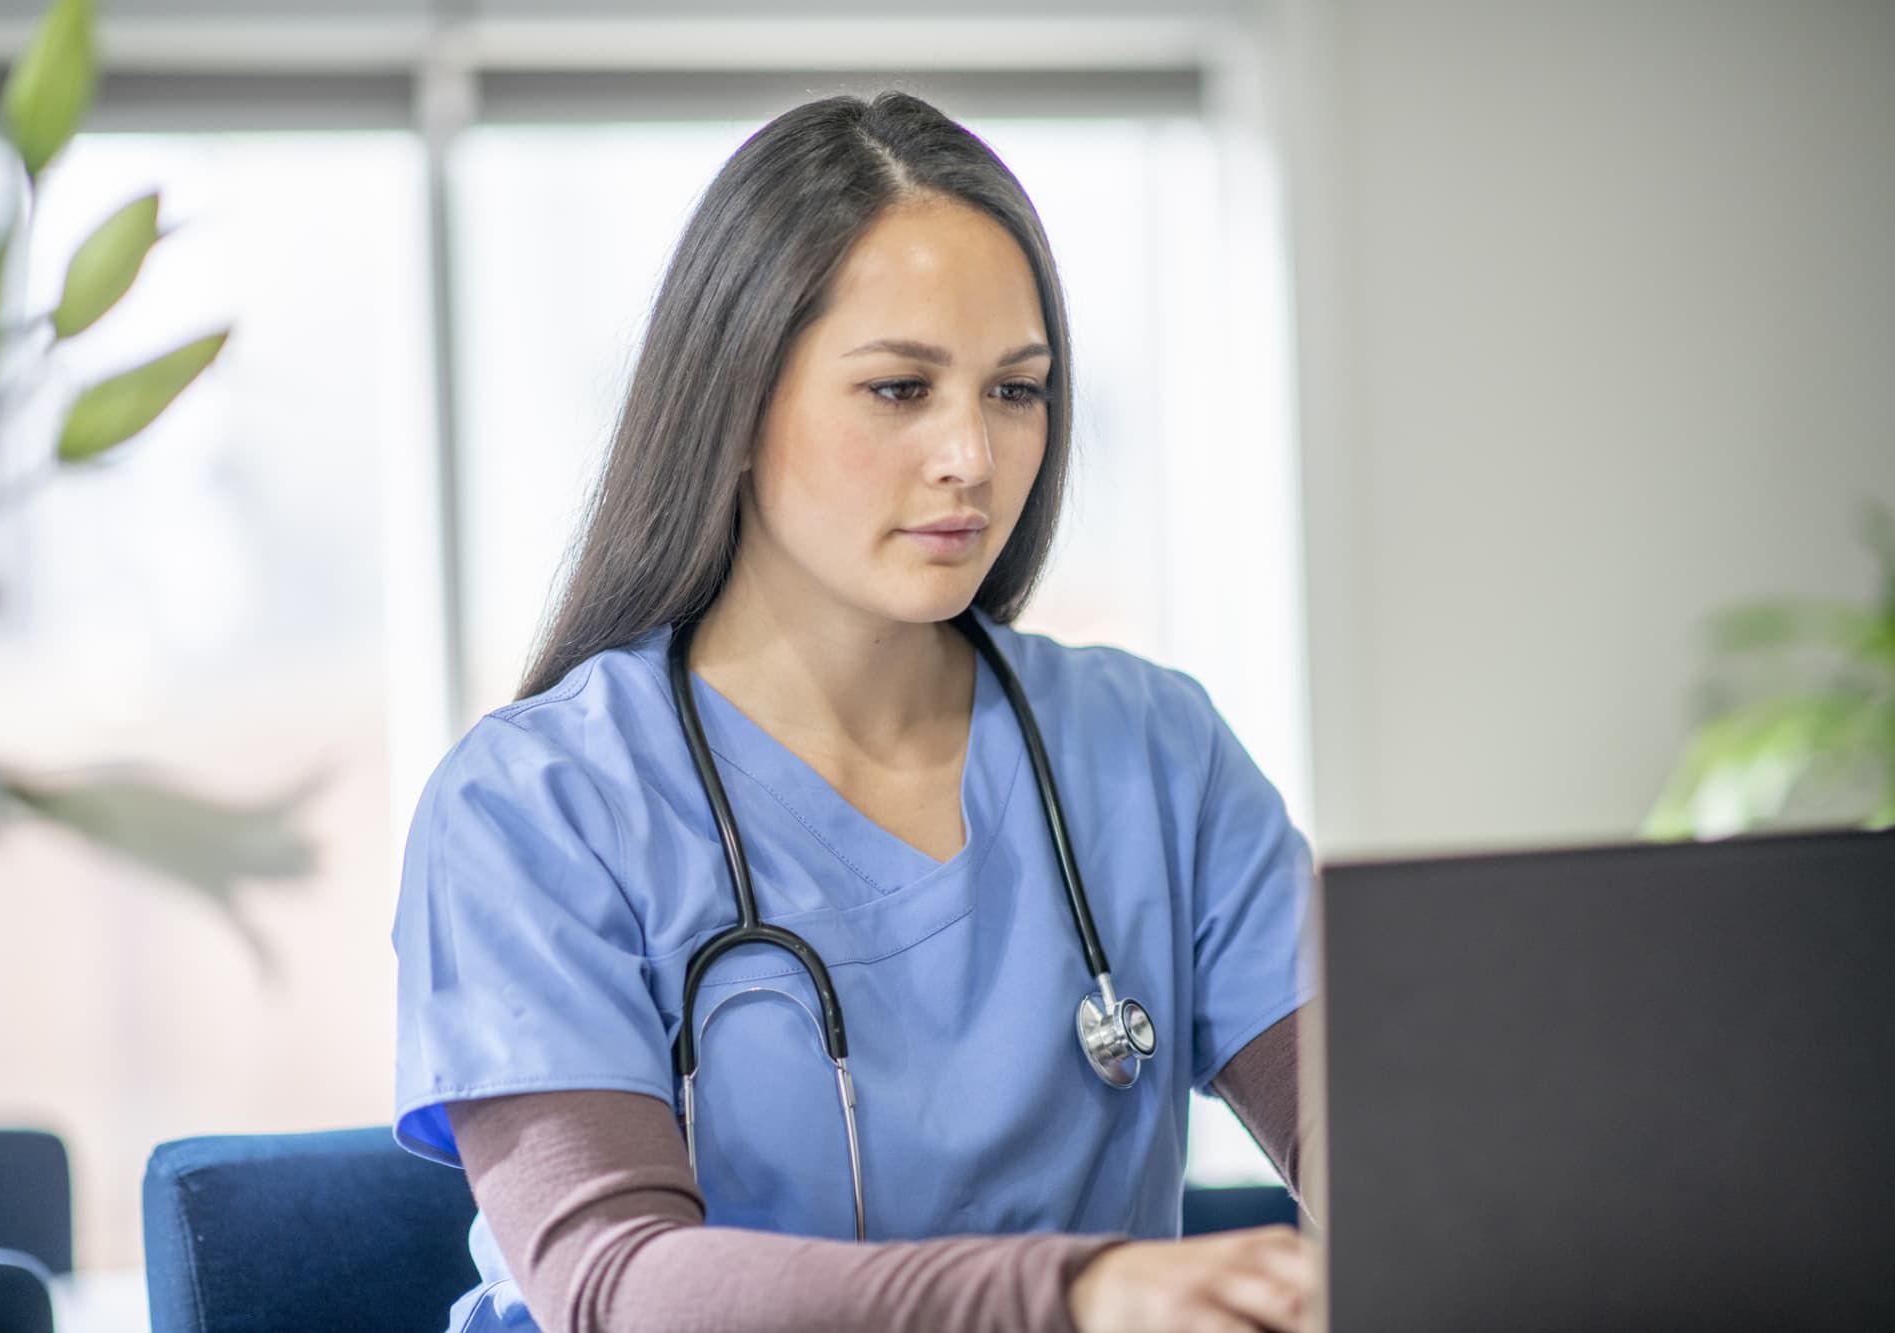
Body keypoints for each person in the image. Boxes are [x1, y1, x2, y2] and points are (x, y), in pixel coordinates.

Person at [392, 89, 1322, 1333]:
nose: (971, 460)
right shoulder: (536, 809)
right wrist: (1070, 1293)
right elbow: (617, 1289)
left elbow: (1403, 1164)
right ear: (731, 406)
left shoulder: (1154, 755)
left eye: (1014, 391)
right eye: (899, 390)